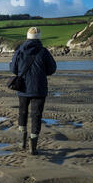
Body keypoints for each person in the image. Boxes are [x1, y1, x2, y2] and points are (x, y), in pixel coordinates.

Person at [10, 27, 57, 155]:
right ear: (39, 37)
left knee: (23, 113)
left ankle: (22, 142)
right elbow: (52, 69)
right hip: (39, 88)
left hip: (23, 88)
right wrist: (41, 73)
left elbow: (13, 69)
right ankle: (33, 147)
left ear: (27, 37)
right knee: (36, 116)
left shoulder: (20, 51)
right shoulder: (43, 51)